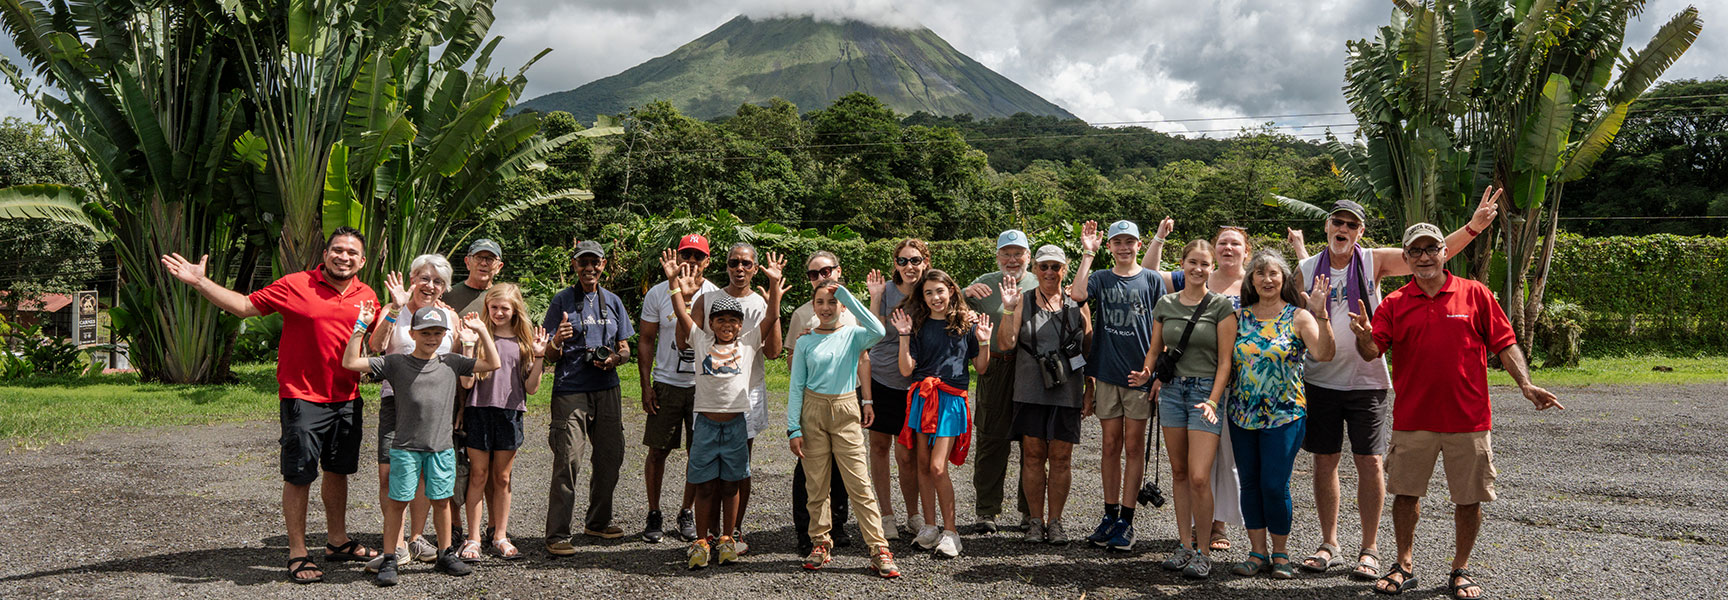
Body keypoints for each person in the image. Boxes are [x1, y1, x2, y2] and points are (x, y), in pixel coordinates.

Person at [1291, 191, 1501, 579]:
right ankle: (1329, 542)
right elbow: (1283, 313)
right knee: (1325, 461)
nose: (1344, 229)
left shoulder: (1372, 260)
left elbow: (1431, 255)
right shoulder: (1304, 269)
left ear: (1360, 232)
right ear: (1327, 227)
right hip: (1319, 377)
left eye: (1352, 224)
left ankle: (1369, 549)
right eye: (1338, 222)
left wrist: (1474, 227)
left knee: (1370, 462)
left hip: (1367, 378)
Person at [1349, 223, 1562, 599]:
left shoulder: (1474, 294)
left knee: (1469, 498)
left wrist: (1525, 384)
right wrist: (1364, 337)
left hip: (1469, 419)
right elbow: (1372, 351)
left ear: (1445, 252)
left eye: (1432, 248)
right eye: (1415, 251)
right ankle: (1404, 564)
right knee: (1406, 495)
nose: (1424, 257)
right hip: (1414, 419)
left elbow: (1505, 342)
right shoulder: (1394, 303)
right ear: (1406, 258)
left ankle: (1460, 569)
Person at [159, 227, 381, 584]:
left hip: (347, 398)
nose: (344, 257)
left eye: (352, 253)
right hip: (302, 396)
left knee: (339, 470)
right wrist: (201, 283)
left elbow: (379, 337)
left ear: (362, 260)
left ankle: (337, 542)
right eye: (337, 250)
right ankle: (297, 551)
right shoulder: (296, 284)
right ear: (324, 254)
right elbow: (245, 306)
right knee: (299, 474)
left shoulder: (366, 294)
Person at [343, 305, 499, 586]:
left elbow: (492, 364)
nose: (432, 338)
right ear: (412, 333)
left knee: (441, 501)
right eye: (425, 332)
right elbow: (351, 363)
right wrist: (359, 327)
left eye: (438, 332)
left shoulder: (452, 361)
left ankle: (444, 553)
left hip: (441, 449)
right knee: (397, 503)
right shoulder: (396, 363)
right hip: (405, 448)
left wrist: (483, 332)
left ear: (445, 334)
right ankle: (390, 556)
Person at [1128, 239, 1238, 579]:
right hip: (1173, 391)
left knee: (1199, 476)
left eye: (1204, 264)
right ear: (1183, 263)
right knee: (1179, 472)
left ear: (1211, 267)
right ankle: (1184, 546)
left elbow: (1225, 362)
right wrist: (1147, 373)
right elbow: (1155, 350)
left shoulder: (1221, 306)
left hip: (1205, 392)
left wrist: (1215, 400)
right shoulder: (1166, 303)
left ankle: (1204, 551)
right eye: (1192, 262)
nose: (1198, 269)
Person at [666, 255, 784, 569]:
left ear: (741, 325)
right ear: (711, 324)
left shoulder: (747, 344)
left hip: (734, 424)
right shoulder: (701, 340)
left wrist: (774, 286)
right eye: (720, 320)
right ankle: (702, 540)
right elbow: (681, 312)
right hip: (705, 423)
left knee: (732, 482)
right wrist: (673, 283)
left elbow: (770, 319)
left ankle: (728, 537)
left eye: (733, 321)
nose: (727, 325)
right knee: (704, 484)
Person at [1227, 249, 1334, 579]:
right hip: (1241, 413)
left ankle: (1281, 552)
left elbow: (1324, 354)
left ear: (1284, 278)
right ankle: (1257, 552)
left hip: (1285, 414)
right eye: (1259, 273)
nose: (1266, 279)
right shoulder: (1237, 317)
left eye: (1273, 273)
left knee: (1274, 484)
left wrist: (1322, 314)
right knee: (1250, 484)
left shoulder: (1299, 317)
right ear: (1251, 280)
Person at [786, 279, 900, 578]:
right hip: (812, 412)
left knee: (859, 484)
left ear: (842, 306)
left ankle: (879, 548)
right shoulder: (806, 341)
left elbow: (878, 329)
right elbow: (796, 386)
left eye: (832, 302)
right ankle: (820, 542)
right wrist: (792, 428)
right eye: (820, 302)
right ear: (813, 305)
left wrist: (848, 296)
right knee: (816, 485)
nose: (826, 308)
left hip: (846, 407)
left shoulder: (853, 335)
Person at [1069, 220, 1165, 553]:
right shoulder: (1100, 278)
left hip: (1138, 376)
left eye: (1130, 242)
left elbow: (1161, 329)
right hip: (1107, 372)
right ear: (1109, 246)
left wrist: (1152, 373)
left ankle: (1127, 519)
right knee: (1110, 445)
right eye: (1117, 242)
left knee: (1134, 446)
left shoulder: (1152, 280)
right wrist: (1087, 254)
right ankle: (1109, 514)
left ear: (1139, 245)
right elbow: (1077, 294)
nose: (1124, 247)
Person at [692, 243, 789, 552]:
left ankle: (733, 532)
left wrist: (774, 296)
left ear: (754, 266)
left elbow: (773, 352)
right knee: (710, 468)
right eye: (734, 262)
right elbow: (687, 340)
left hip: (749, 390)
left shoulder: (761, 303)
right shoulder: (707, 300)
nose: (740, 268)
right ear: (726, 265)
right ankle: (708, 532)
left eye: (746, 263)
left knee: (738, 465)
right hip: (712, 393)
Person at [541, 240, 635, 554]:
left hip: (607, 386)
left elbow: (626, 348)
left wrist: (615, 360)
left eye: (595, 262)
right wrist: (556, 340)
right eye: (583, 263)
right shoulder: (562, 300)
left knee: (610, 456)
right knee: (568, 459)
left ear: (603, 265)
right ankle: (557, 533)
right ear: (574, 265)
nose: (589, 268)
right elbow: (549, 356)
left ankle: (598, 521)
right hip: (571, 388)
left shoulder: (614, 302)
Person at [891, 269, 992, 558]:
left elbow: (982, 368)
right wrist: (904, 336)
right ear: (922, 298)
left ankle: (952, 532)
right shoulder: (918, 326)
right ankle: (930, 527)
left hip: (950, 400)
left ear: (951, 290)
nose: (936, 297)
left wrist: (984, 341)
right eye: (928, 292)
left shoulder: (967, 324)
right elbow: (906, 369)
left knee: (937, 467)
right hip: (923, 397)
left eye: (940, 291)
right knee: (922, 465)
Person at [995, 245, 1092, 546]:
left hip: (1068, 390)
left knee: (1062, 458)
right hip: (1030, 389)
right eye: (1044, 266)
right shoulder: (1022, 301)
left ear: (1065, 269)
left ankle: (1056, 522)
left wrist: (1090, 389)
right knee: (1033, 456)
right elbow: (1006, 343)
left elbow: (1088, 347)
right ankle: (1035, 521)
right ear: (1035, 269)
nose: (1049, 272)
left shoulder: (1076, 303)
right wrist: (1008, 309)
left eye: (1055, 267)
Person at [368, 256, 459, 569]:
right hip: (396, 403)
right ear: (411, 279)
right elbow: (375, 346)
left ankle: (416, 537)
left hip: (436, 407)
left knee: (424, 473)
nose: (429, 286)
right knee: (389, 473)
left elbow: (458, 361)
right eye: (423, 278)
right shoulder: (396, 310)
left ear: (444, 287)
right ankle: (395, 544)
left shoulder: (449, 316)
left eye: (437, 281)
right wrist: (395, 309)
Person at [454, 284, 545, 562]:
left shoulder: (524, 341)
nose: (499, 312)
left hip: (510, 412)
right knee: (478, 475)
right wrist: (469, 344)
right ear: (487, 308)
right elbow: (467, 381)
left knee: (502, 477)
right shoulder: (479, 336)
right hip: (478, 410)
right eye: (494, 308)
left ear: (515, 309)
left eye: (505, 308)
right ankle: (473, 538)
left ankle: (500, 535)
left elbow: (531, 388)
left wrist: (540, 356)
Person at [636, 234, 718, 544]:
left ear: (706, 261)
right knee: (658, 450)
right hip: (667, 382)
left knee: (698, 453)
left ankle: (686, 511)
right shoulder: (658, 293)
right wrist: (646, 385)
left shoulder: (714, 294)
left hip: (702, 385)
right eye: (687, 254)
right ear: (678, 257)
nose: (692, 261)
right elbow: (646, 340)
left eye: (698, 256)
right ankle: (654, 511)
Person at [960, 230, 1039, 533]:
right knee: (992, 439)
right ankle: (986, 510)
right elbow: (955, 307)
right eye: (1005, 253)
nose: (1011, 259)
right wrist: (965, 292)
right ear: (997, 257)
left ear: (1028, 257)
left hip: (1030, 368)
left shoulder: (1037, 281)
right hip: (995, 366)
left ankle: (1029, 509)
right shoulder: (985, 283)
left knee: (1032, 442)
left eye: (1018, 253)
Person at [784, 251, 855, 555]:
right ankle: (807, 531)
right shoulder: (803, 313)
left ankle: (837, 526)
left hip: (847, 396)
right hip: (814, 398)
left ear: (839, 271)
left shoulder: (853, 309)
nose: (821, 277)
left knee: (843, 466)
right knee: (809, 468)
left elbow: (866, 354)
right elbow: (790, 361)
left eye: (826, 270)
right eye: (814, 274)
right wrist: (804, 346)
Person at [863, 239, 930, 540]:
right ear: (895, 264)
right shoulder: (886, 291)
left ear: (925, 262)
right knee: (879, 447)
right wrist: (875, 299)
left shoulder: (930, 291)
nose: (909, 267)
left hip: (915, 383)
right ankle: (886, 515)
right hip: (881, 379)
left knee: (908, 455)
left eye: (915, 260)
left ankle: (913, 514)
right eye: (902, 261)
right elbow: (872, 333)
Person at [443, 238, 507, 540]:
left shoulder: (503, 297)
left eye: (490, 259)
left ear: (499, 265)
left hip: (494, 394)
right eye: (478, 257)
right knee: (458, 465)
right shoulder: (450, 296)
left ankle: (495, 526)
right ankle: (455, 527)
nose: (484, 263)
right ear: (467, 261)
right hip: (456, 391)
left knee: (497, 469)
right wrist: (458, 404)